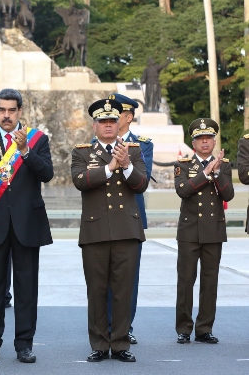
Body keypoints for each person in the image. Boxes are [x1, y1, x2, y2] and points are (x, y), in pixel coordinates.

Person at [0, 88, 54, 364]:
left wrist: (26, 152)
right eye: (2, 110)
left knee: (26, 288)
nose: (6, 115)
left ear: (20, 112)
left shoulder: (36, 139)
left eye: (11, 110)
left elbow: (47, 174)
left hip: (27, 224)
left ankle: (24, 345)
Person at [71, 98, 148, 363]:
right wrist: (109, 167)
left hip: (127, 230)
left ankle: (121, 344)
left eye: (112, 121)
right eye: (102, 122)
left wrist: (126, 165)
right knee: (97, 290)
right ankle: (100, 344)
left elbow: (142, 185)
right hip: (95, 232)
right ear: (94, 126)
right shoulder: (82, 152)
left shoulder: (133, 151)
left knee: (123, 290)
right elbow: (80, 181)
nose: (107, 125)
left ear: (118, 125)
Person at [96, 94, 153, 345]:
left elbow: (143, 177)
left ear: (128, 117)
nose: (109, 119)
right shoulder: (93, 143)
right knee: (103, 278)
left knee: (128, 278)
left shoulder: (142, 145)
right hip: (103, 217)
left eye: (116, 114)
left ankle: (124, 327)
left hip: (131, 217)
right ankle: (106, 327)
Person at [174, 118, 233, 344]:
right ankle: (184, 328)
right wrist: (206, 172)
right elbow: (183, 190)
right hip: (189, 231)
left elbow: (228, 195)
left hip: (213, 231)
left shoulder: (224, 165)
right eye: (200, 138)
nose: (205, 141)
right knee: (186, 281)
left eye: (208, 138)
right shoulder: (184, 164)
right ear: (194, 142)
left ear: (214, 141)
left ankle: (204, 328)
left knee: (210, 282)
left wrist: (217, 173)